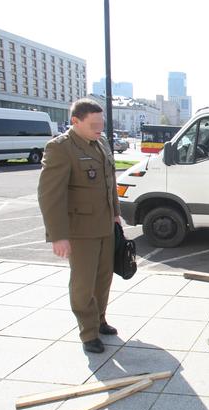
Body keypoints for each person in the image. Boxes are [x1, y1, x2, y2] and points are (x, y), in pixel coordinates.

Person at [38, 98, 121, 354]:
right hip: (80, 230)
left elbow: (110, 182)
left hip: (105, 225)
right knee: (83, 283)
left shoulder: (102, 143)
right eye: (94, 125)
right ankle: (88, 333)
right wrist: (58, 236)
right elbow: (50, 195)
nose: (100, 129)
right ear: (75, 122)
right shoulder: (60, 148)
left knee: (103, 278)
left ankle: (100, 319)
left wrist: (116, 215)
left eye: (102, 124)